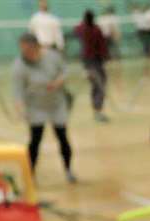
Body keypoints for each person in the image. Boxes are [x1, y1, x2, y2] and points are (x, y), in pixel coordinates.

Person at [12, 32, 77, 182]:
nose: (25, 52)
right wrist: (20, 107)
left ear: (37, 46)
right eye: (23, 49)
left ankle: (68, 171)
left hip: (56, 103)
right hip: (36, 107)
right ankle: (30, 174)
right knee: (35, 140)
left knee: (62, 136)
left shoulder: (52, 56)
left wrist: (58, 82)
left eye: (28, 48)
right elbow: (18, 90)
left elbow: (66, 71)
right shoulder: (19, 65)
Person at [74, 10, 111, 122]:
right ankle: (97, 110)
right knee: (100, 85)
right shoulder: (96, 29)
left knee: (96, 85)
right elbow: (102, 44)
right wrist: (106, 56)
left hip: (88, 61)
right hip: (94, 61)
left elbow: (76, 29)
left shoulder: (82, 29)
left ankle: (97, 110)